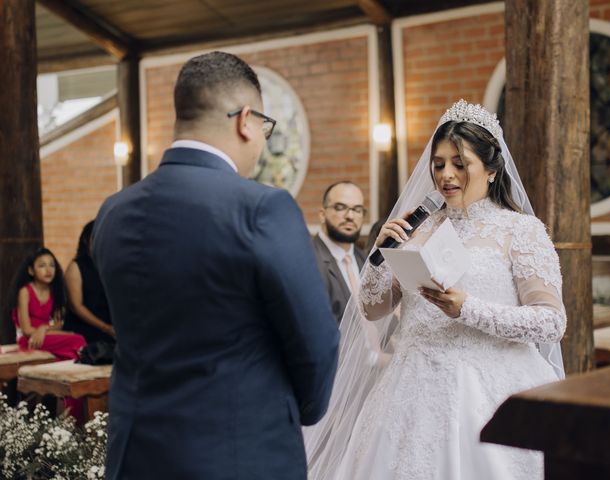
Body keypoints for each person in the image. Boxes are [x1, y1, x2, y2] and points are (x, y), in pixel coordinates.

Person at [92, 51, 340, 480]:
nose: (261, 141)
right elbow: (317, 344)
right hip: (239, 453)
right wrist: (294, 410)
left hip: (135, 455)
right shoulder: (261, 208)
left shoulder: (113, 213)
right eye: (264, 127)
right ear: (246, 120)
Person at [304, 99, 566, 480]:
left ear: (491, 171)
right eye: (439, 163)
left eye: (460, 164)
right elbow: (373, 308)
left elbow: (550, 323)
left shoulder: (520, 232)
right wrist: (380, 254)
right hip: (410, 392)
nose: (446, 175)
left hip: (489, 391)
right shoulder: (417, 228)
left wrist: (467, 308)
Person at [11, 247, 86, 360]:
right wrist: (42, 331)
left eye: (52, 265)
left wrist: (43, 329)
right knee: (77, 341)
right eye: (42, 266)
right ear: (31, 270)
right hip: (29, 339)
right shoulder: (25, 292)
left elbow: (58, 325)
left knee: (76, 337)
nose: (48, 270)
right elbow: (26, 330)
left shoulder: (55, 291)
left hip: (45, 335)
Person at [312, 181, 367, 323]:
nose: (350, 216)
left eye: (357, 209)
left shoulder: (366, 260)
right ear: (322, 214)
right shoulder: (308, 258)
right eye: (340, 208)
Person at [64, 220, 115, 344]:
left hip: (111, 328)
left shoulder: (110, 265)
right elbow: (76, 307)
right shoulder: (76, 267)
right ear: (86, 240)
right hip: (85, 328)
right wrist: (105, 328)